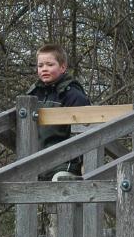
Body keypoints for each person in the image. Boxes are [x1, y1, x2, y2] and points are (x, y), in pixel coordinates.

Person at [25, 43, 90, 180]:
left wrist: (84, 164)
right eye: (40, 65)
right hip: (36, 163)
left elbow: (86, 132)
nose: (44, 69)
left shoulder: (73, 95)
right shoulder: (32, 95)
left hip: (66, 164)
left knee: (59, 181)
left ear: (62, 67)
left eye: (50, 64)